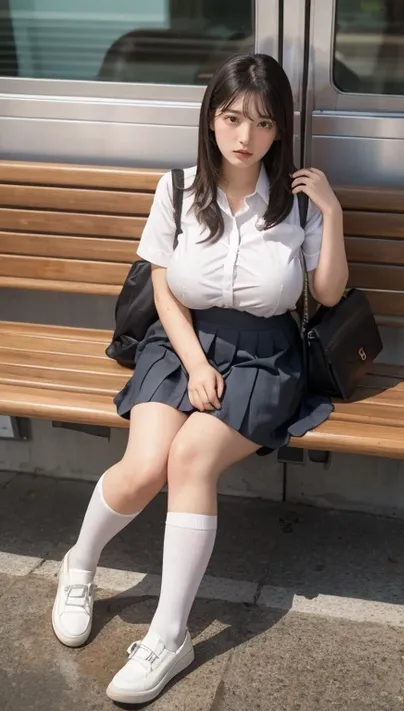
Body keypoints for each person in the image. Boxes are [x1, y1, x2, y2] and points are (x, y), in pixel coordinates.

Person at [51, 53, 348, 705]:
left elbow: (327, 290)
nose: (246, 135)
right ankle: (79, 563)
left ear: (280, 131)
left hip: (266, 357)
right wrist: (193, 362)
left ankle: (168, 633)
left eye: (263, 123)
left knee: (190, 457)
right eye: (233, 117)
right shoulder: (179, 188)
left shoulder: (298, 202)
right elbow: (162, 285)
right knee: (145, 465)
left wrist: (333, 212)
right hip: (180, 342)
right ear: (211, 117)